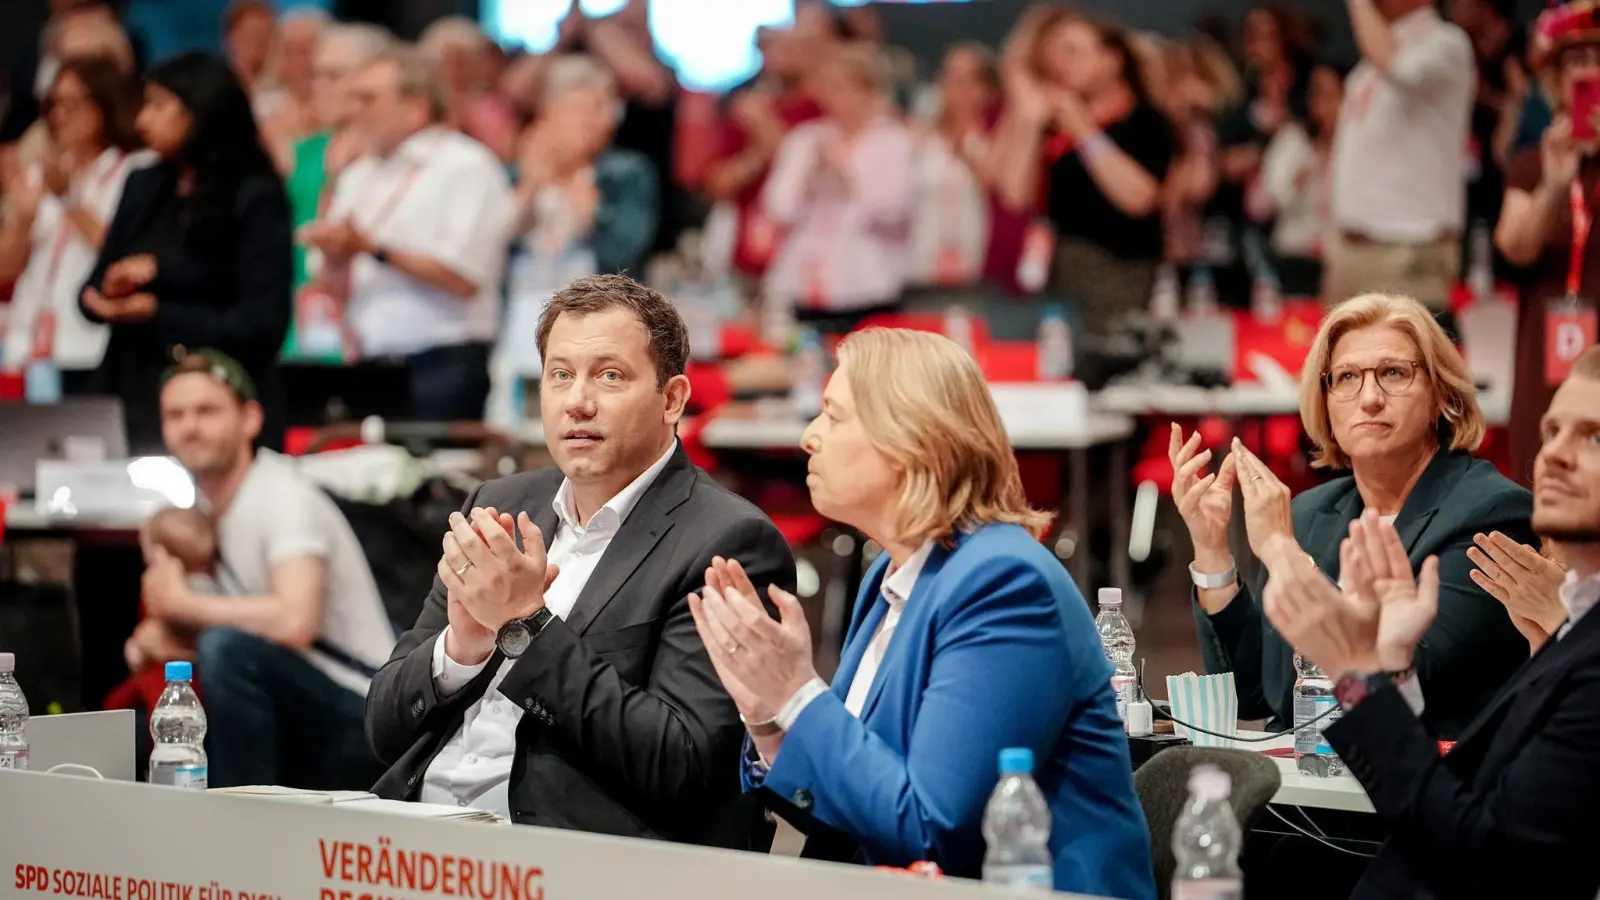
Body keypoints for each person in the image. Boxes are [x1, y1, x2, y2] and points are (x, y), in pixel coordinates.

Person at [688, 328, 1155, 899]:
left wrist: (799, 694)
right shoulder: (891, 576)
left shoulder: (1004, 581)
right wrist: (768, 716)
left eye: (834, 417)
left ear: (909, 441)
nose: (809, 437)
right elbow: (856, 801)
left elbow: (933, 830)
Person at [366, 275, 796, 848]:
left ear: (672, 400)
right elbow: (383, 731)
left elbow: (682, 762)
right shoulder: (497, 505)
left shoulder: (728, 539)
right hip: (414, 835)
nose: (578, 402)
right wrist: (460, 651)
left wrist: (525, 626)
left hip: (564, 855)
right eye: (560, 375)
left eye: (610, 375)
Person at [1259, 346, 1600, 900]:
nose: (1555, 455)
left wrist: (1358, 676)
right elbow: (1462, 797)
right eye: (1553, 431)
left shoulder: (1490, 519)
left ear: (1441, 399)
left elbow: (1483, 860)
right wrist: (1392, 669)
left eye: (1593, 437)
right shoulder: (1573, 628)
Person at [1173, 292, 1532, 739]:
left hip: (1414, 776)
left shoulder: (1490, 514)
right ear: (1325, 402)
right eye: (1346, 377)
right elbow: (1253, 694)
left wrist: (1286, 557)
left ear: (1441, 396)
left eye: (1393, 373)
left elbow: (1414, 684)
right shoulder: (1309, 513)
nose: (1370, 398)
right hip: (1303, 777)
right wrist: (1212, 553)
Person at [143, 349, 394, 789]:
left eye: (207, 411)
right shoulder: (205, 512)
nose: (190, 426)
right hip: (303, 699)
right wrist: (157, 639)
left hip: (363, 712)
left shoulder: (282, 493)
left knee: (226, 650)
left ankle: (241, 816)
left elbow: (295, 621)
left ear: (251, 419)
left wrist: (184, 604)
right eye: (175, 415)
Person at [80, 51, 292, 454]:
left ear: (200, 110)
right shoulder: (143, 184)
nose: (142, 120)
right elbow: (88, 295)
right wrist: (112, 288)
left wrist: (156, 311)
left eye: (158, 105)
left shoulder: (254, 197)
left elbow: (262, 325)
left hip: (217, 394)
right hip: (134, 393)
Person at [303, 48, 514, 421]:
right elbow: (331, 284)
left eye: (368, 99)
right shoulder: (359, 174)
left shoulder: (465, 166)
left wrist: (373, 249)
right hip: (370, 362)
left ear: (416, 106)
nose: (355, 111)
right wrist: (336, 256)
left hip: (444, 363)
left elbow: (464, 276)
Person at [991, 12, 1175, 339]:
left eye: (1072, 52)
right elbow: (1015, 194)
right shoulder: (1055, 128)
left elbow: (1141, 197)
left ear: (1111, 60)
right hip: (1064, 280)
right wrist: (1028, 122)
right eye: (1053, 55)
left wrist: (1084, 131)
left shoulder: (1145, 121)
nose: (1060, 65)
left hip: (1124, 276)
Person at [1496, 0, 1600, 489]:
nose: (1590, 72)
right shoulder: (1533, 164)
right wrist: (1555, 186)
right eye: (1577, 60)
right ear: (1557, 79)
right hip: (1547, 366)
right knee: (1540, 492)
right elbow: (1513, 246)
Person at [1323, 0, 1475, 327]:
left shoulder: (1447, 44)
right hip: (1352, 247)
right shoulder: (1372, 58)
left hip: (1408, 247)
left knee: (1403, 356)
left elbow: (1400, 67)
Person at [0, 56, 145, 385]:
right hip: (31, 344)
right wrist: (21, 222)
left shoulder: (133, 171)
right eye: (54, 104)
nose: (60, 116)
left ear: (105, 104)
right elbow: (5, 269)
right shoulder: (42, 171)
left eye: (72, 104)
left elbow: (120, 252)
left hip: (89, 343)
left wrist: (69, 199)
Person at [760, 42, 918, 335]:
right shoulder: (806, 139)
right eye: (829, 87)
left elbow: (895, 211)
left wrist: (847, 178)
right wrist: (808, 179)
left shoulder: (892, 141)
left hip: (869, 284)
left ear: (869, 90)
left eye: (844, 87)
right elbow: (778, 208)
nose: (834, 97)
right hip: (805, 282)